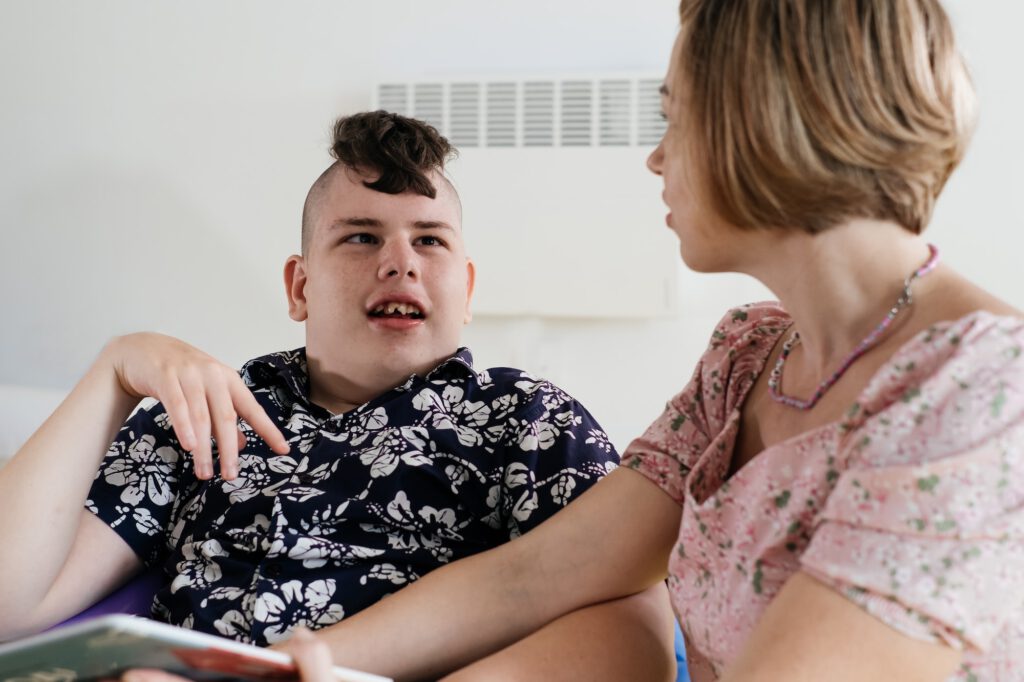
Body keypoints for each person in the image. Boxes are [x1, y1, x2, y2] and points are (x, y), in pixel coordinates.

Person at [269, 2, 1024, 681]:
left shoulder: (988, 390)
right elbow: (533, 576)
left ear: (761, 119)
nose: (656, 159)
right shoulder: (749, 355)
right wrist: (281, 670)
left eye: (675, 119)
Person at [0, 111, 676, 680]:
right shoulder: (205, 415)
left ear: (466, 291)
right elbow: (10, 605)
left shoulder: (527, 419)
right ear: (299, 287)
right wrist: (115, 370)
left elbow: (636, 638)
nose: (400, 261)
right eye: (360, 236)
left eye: (430, 240)